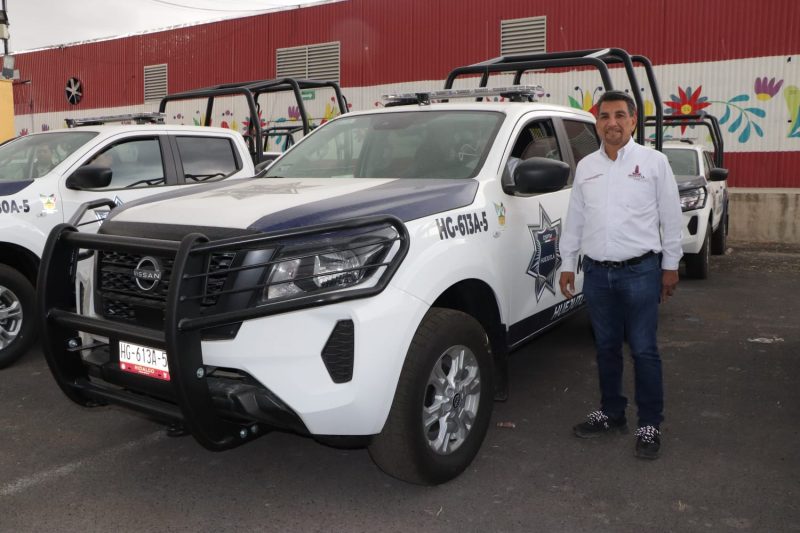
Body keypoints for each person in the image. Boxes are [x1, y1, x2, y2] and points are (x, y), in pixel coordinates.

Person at [558, 90, 682, 460]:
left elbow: (671, 217)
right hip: (597, 274)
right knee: (606, 347)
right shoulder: (587, 167)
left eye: (619, 115)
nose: (611, 123)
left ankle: (649, 424)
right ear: (596, 123)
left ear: (633, 121)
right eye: (604, 116)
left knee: (644, 350)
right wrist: (568, 263)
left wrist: (670, 266)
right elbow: (576, 218)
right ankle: (612, 413)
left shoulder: (654, 162)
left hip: (641, 272)